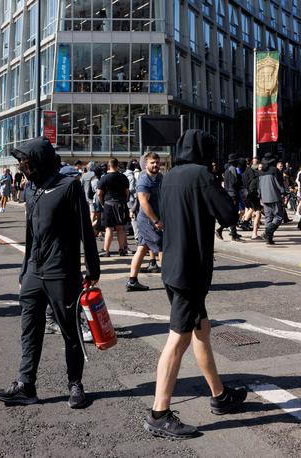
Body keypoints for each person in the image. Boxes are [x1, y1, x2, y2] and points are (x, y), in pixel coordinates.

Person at [145, 129, 246, 439]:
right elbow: (228, 215)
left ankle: (220, 395)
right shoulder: (202, 175)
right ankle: (159, 413)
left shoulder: (171, 175)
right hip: (191, 270)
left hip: (172, 265)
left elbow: (164, 214)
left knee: (202, 330)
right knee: (178, 339)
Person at [0, 137, 100, 408]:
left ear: (39, 160)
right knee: (29, 330)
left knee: (69, 331)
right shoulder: (30, 189)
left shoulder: (69, 186)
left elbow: (84, 230)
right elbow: (31, 234)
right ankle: (26, 385)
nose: (21, 166)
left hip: (62, 273)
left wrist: (92, 268)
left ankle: (75, 384)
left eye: (25, 162)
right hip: (33, 272)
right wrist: (24, 269)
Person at [126, 152, 162, 292]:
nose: (155, 165)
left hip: (153, 219)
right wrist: (156, 220)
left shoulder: (159, 177)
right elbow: (143, 203)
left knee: (141, 249)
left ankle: (132, 281)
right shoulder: (144, 180)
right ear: (145, 164)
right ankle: (170, 282)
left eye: (157, 162)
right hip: (148, 221)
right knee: (162, 247)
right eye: (152, 162)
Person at [96, 158, 131, 256]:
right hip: (121, 204)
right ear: (117, 165)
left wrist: (102, 203)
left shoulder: (104, 178)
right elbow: (127, 192)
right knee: (120, 228)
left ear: (109, 166)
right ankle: (122, 249)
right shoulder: (123, 177)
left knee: (109, 228)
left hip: (108, 204)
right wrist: (125, 200)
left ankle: (106, 250)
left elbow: (99, 193)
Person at [258, 154, 285, 245]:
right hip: (274, 196)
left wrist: (260, 196)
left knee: (268, 218)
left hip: (264, 197)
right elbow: (279, 184)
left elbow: (259, 186)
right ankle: (268, 232)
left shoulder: (261, 172)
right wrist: (283, 192)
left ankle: (269, 239)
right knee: (278, 217)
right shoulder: (274, 170)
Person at [216, 154, 242, 241]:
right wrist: (240, 183)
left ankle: (233, 233)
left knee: (233, 214)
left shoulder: (227, 169)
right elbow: (234, 182)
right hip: (233, 193)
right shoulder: (232, 169)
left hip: (228, 192)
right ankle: (224, 231)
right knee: (233, 214)